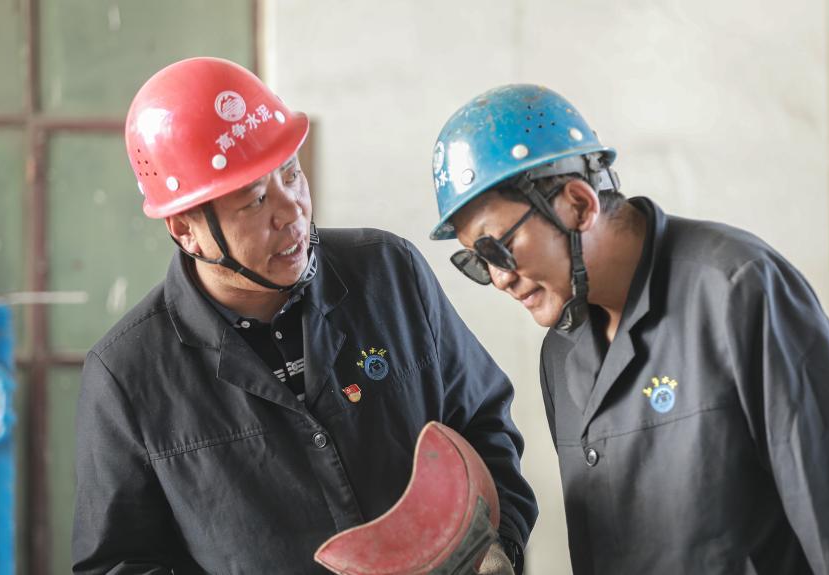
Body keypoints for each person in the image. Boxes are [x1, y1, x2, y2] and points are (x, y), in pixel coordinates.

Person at [72, 58, 535, 575]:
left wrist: (498, 545)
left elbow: (483, 426)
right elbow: (120, 564)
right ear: (186, 230)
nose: (291, 210)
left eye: (292, 175)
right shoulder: (128, 376)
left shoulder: (389, 275)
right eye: (254, 201)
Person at [428, 84, 829, 574]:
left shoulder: (737, 292)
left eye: (498, 248)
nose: (500, 278)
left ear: (579, 205)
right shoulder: (562, 355)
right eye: (477, 261)